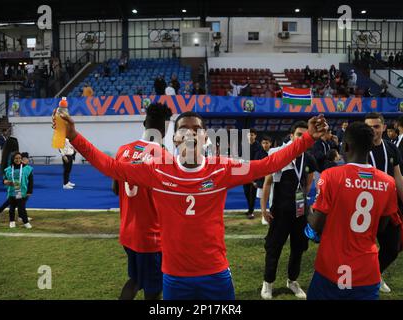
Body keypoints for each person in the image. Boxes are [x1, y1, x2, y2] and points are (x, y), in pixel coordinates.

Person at [57, 109, 328, 300]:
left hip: (216, 273)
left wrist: (306, 139)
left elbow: (268, 164)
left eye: (197, 129)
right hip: (174, 277)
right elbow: (112, 167)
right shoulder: (157, 170)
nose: (190, 133)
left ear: (205, 138)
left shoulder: (221, 169)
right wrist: (73, 136)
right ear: (174, 138)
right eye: (183, 129)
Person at [306, 122, 398, 300]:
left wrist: (307, 212)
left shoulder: (331, 176)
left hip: (332, 267)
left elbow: (317, 223)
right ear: (371, 146)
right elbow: (381, 227)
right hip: (366, 270)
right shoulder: (388, 182)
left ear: (345, 145)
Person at [112, 103, 172, 300]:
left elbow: (115, 188)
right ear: (165, 128)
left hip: (127, 232)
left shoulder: (122, 151)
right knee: (153, 290)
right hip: (151, 237)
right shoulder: (164, 157)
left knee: (136, 280)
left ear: (144, 123)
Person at [261, 121, 317, 300]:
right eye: (298, 134)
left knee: (298, 248)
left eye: (304, 134)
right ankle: (268, 282)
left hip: (300, 212)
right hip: (280, 212)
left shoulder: (309, 158)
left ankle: (292, 281)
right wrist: (263, 209)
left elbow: (308, 184)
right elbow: (267, 182)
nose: (301, 137)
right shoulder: (279, 154)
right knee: (274, 248)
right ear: (291, 136)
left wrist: (302, 203)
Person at [365, 113, 403, 293]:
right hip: (367, 208)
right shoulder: (359, 149)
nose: (373, 130)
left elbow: (398, 178)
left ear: (384, 127)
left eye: (376, 126)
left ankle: (374, 274)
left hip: (389, 207)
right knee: (361, 249)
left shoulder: (391, 148)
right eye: (369, 127)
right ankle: (365, 278)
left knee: (395, 247)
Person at [3, 152, 34, 229]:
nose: (18, 160)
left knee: (21, 207)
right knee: (12, 207)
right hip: (12, 190)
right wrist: (6, 182)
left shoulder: (27, 168)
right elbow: (4, 179)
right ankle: (12, 222)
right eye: (16, 158)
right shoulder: (8, 169)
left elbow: (31, 181)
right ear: (13, 159)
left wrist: (29, 191)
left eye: (19, 158)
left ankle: (26, 222)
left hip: (21, 190)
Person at [0, 136, 19, 220]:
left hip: (11, 178)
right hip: (12, 179)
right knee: (16, 197)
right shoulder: (12, 155)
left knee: (16, 198)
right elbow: (11, 168)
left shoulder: (7, 154)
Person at [243, 128, 262, 219]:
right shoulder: (244, 145)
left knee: (252, 193)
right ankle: (250, 209)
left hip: (254, 173)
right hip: (245, 172)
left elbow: (257, 160)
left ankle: (251, 212)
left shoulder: (258, 146)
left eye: (252, 134)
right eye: (249, 134)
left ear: (255, 136)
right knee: (246, 192)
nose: (250, 136)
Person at [255, 136, 272, 225]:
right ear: (261, 144)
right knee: (263, 198)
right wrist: (255, 180)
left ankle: (272, 213)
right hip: (261, 180)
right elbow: (255, 168)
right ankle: (263, 214)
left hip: (272, 179)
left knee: (272, 198)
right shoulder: (258, 154)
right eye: (263, 143)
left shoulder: (274, 152)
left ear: (270, 143)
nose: (265, 145)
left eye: (267, 143)